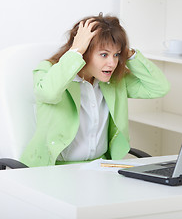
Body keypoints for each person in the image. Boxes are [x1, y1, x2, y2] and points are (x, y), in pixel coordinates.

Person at [20, 13, 170, 167]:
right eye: (104, 54)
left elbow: (159, 88)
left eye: (116, 54)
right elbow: (49, 94)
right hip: (55, 168)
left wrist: (129, 54)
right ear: (83, 52)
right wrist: (76, 50)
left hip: (101, 167)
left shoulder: (115, 80)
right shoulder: (49, 71)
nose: (112, 63)